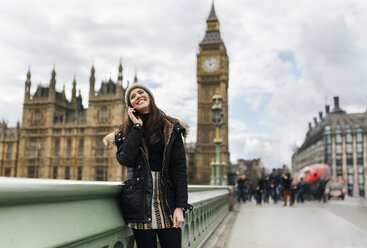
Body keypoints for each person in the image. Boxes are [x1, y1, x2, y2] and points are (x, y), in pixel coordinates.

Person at [103, 84, 192, 248]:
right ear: (131, 106)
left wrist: (180, 206)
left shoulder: (171, 128)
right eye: (132, 96)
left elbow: (179, 170)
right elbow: (125, 159)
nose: (138, 96)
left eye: (141, 92)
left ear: (149, 96)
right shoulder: (125, 131)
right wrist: (136, 127)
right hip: (139, 202)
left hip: (166, 200)